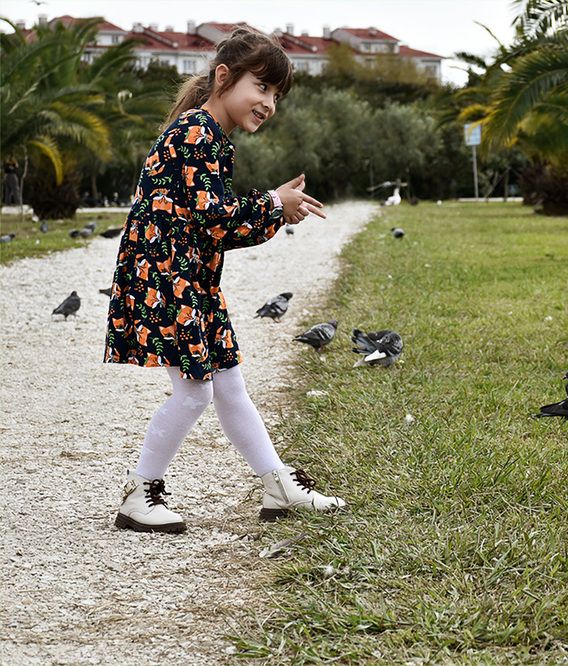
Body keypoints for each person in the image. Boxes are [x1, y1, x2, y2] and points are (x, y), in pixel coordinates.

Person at [104, 28, 344, 534]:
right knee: (195, 393)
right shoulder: (196, 134)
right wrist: (275, 205)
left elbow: (216, 227)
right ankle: (138, 492)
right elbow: (217, 220)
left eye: (276, 95)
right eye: (262, 87)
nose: (269, 103)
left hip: (187, 278)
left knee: (229, 387)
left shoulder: (210, 137)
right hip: (166, 279)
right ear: (223, 78)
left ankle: (276, 482)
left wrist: (276, 211)